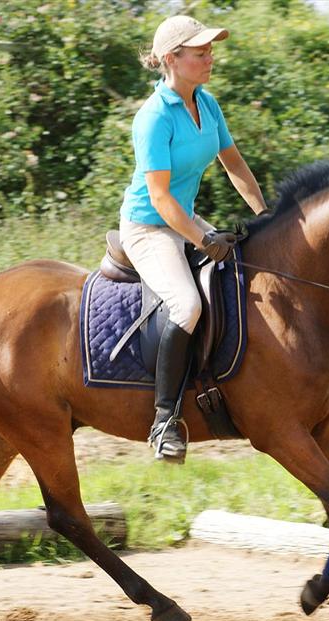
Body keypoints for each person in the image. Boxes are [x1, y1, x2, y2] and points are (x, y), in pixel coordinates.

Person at [119, 15, 267, 463]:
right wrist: (204, 242)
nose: (210, 57)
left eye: (209, 50)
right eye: (200, 52)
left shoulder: (207, 103)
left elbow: (235, 166)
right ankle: (164, 420)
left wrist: (267, 217)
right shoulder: (153, 119)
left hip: (183, 217)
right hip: (149, 226)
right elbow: (161, 200)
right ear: (172, 60)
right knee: (187, 304)